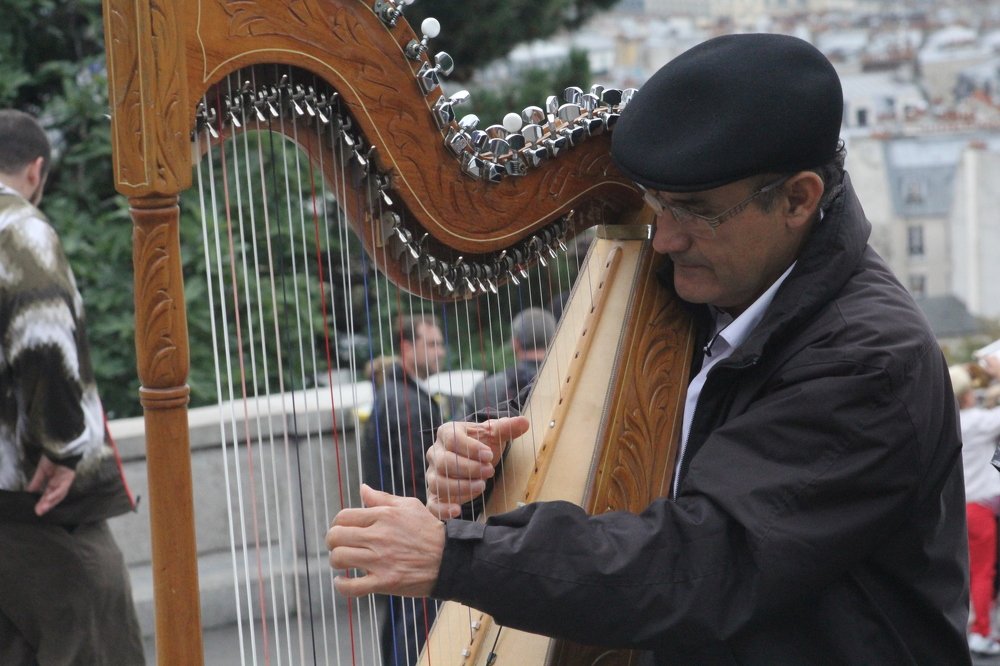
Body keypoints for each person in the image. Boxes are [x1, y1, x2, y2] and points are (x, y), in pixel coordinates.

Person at [327, 34, 970, 663]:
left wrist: (453, 555)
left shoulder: (869, 361)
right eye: (657, 205)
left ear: (798, 199)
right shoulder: (702, 288)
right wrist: (484, 460)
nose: (663, 239)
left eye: (695, 211)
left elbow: (701, 563)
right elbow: (580, 435)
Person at [0, 110, 145, 663]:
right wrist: (64, 446)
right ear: (36, 170)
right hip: (46, 513)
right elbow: (42, 339)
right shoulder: (21, 230)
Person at [360, 314, 446, 666]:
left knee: (402, 625)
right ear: (407, 348)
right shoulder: (404, 403)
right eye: (432, 344)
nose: (441, 352)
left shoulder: (398, 394)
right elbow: (418, 481)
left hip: (396, 535)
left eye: (441, 343)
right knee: (414, 632)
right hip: (411, 537)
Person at [953, 358, 1000, 655]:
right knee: (984, 573)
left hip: (960, 508)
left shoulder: (952, 420)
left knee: (968, 573)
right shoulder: (978, 423)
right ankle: (981, 630)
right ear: (967, 393)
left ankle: (971, 625)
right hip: (981, 509)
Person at [464, 307, 557, 415]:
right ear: (553, 340)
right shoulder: (566, 378)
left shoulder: (486, 388)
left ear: (515, 342)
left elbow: (458, 427)